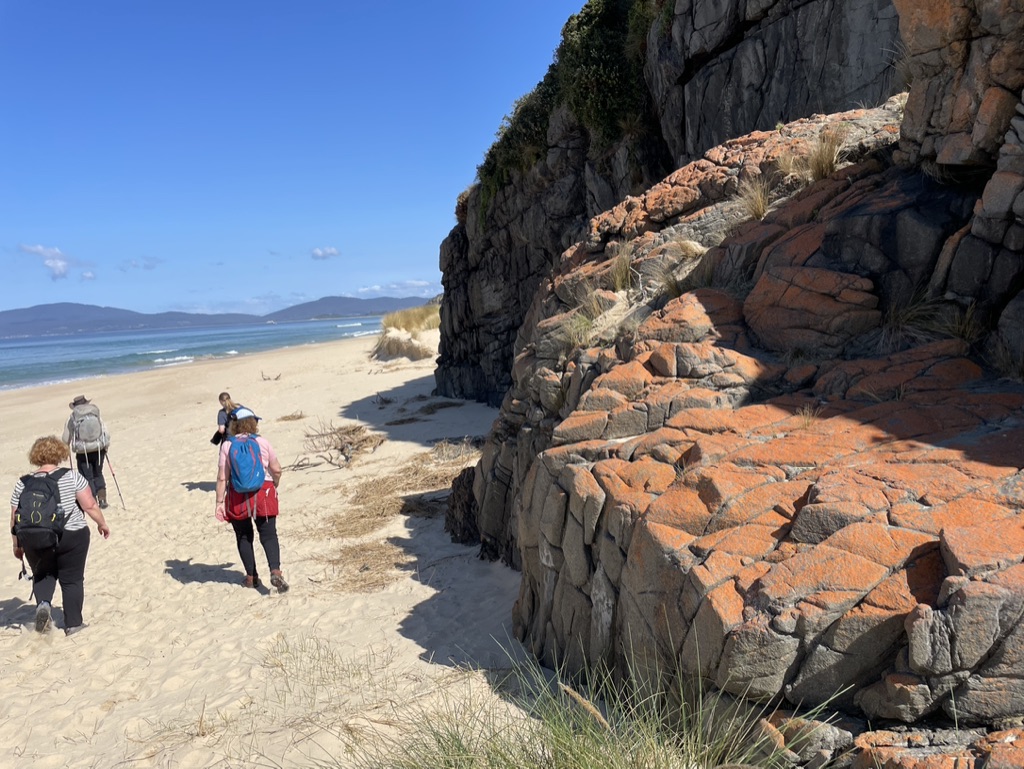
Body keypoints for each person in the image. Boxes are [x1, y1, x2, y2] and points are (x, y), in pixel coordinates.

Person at [10, 436, 111, 635]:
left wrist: (17, 545)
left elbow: (15, 517)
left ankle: (44, 606)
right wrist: (102, 523)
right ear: (60, 454)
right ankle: (73, 624)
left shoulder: (23, 483)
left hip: (34, 537)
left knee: (42, 574)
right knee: (72, 579)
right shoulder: (71, 477)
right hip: (71, 535)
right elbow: (89, 505)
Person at [215, 407, 289, 592]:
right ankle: (275, 571)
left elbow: (222, 477)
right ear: (253, 423)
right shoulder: (262, 442)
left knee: (243, 535)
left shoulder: (227, 445)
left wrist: (218, 502)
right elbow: (277, 469)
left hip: (237, 495)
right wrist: (275, 483)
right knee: (269, 534)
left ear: (234, 424)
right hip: (263, 492)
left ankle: (251, 577)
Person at [62, 395, 111, 509]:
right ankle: (102, 499)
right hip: (99, 449)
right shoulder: (95, 413)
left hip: (82, 451)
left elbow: (65, 439)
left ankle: (92, 500)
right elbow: (105, 431)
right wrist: (105, 446)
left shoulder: (72, 417)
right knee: (98, 473)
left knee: (87, 477)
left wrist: (68, 446)